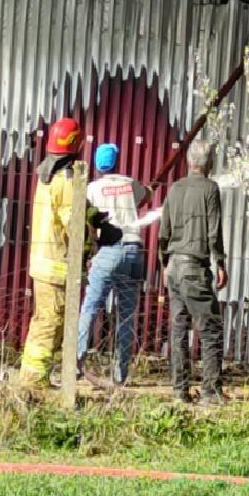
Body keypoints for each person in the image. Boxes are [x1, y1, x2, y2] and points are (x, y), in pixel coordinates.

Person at [158, 139, 228, 405]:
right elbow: (214, 230)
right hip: (194, 267)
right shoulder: (210, 189)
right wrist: (220, 262)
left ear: (189, 162)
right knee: (210, 329)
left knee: (179, 329)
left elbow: (163, 232)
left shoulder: (174, 188)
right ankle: (210, 393)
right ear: (209, 162)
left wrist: (165, 265)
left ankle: (179, 392)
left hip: (174, 266)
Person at [18, 117, 86, 389]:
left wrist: (94, 215)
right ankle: (33, 381)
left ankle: (35, 377)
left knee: (47, 321)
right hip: (58, 266)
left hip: (43, 264)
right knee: (49, 323)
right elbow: (74, 223)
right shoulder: (67, 180)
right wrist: (94, 239)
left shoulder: (46, 177)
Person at [77, 143, 149, 385]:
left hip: (109, 251)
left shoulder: (92, 188)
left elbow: (87, 216)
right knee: (126, 315)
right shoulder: (131, 183)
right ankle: (121, 374)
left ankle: (76, 363)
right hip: (134, 250)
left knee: (90, 308)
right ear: (117, 161)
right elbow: (145, 196)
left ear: (97, 165)